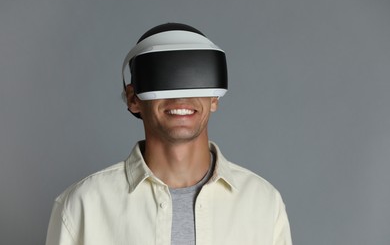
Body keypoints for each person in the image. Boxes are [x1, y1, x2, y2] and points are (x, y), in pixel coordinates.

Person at [45, 23, 292, 245]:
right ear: (133, 99)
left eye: (197, 76)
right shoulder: (82, 206)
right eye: (161, 77)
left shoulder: (263, 203)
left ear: (214, 96)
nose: (180, 95)